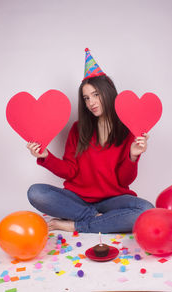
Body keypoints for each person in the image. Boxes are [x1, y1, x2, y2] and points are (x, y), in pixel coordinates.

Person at [27, 48, 154, 233]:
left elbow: (124, 180)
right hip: (77, 198)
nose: (91, 103)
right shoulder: (78, 128)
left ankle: (77, 224)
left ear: (108, 92)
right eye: (86, 98)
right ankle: (95, 218)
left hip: (113, 200)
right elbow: (70, 171)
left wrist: (133, 156)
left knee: (146, 210)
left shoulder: (127, 130)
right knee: (36, 193)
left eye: (96, 95)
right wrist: (46, 156)